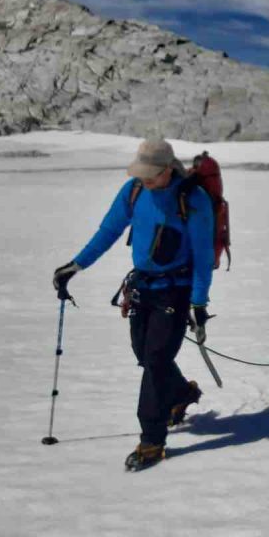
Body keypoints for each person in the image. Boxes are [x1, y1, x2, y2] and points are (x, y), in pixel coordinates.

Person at [52, 139, 215, 471]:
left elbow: (202, 256)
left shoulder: (192, 198)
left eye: (151, 174)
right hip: (142, 286)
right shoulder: (134, 191)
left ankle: (152, 440)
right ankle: (180, 394)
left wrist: (198, 303)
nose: (146, 179)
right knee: (144, 353)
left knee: (156, 360)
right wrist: (76, 266)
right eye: (142, 173)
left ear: (168, 169)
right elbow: (109, 230)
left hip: (176, 290)